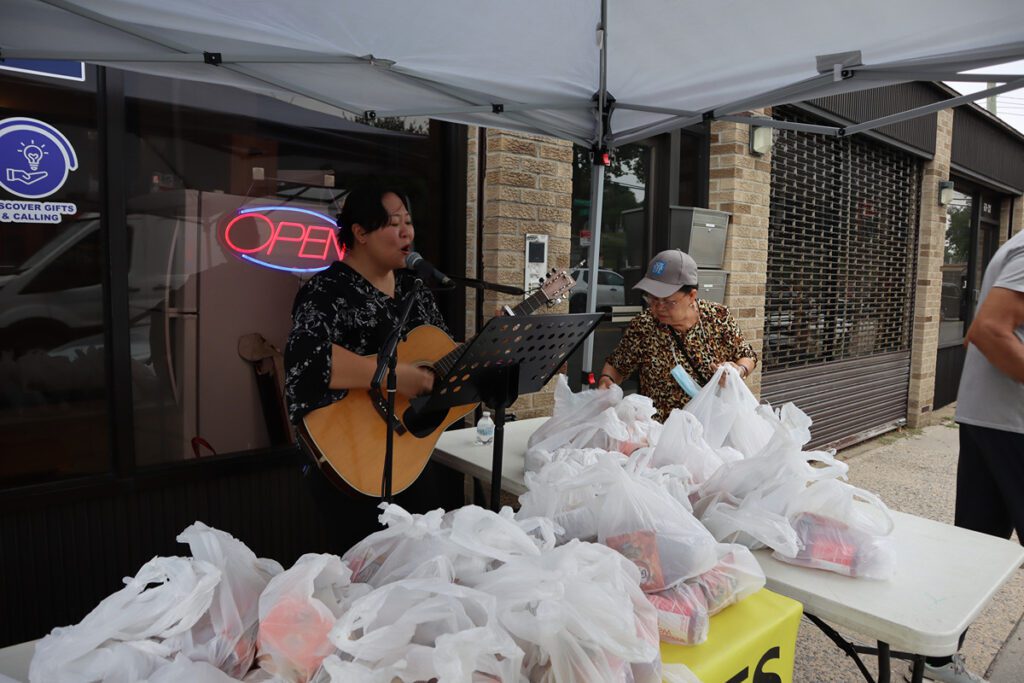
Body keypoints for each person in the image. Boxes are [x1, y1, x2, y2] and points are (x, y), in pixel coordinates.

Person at [284, 184, 462, 551]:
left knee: (427, 561)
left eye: (408, 222)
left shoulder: (414, 287)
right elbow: (307, 361)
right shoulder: (327, 290)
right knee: (368, 575)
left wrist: (485, 348)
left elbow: (440, 355)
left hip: (409, 450)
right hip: (350, 458)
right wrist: (392, 377)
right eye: (393, 222)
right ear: (359, 233)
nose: (406, 232)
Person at [923, 228, 1024, 683]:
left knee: (974, 549)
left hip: (994, 420)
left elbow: (974, 331)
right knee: (974, 549)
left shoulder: (1015, 244)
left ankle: (936, 660)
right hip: (1014, 425)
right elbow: (988, 330)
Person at [597, 249, 757, 421]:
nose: (658, 307)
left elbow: (747, 355)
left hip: (713, 429)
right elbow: (617, 365)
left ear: (691, 296)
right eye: (652, 299)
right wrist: (606, 381)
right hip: (661, 434)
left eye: (668, 301)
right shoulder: (644, 326)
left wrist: (738, 371)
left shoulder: (717, 316)